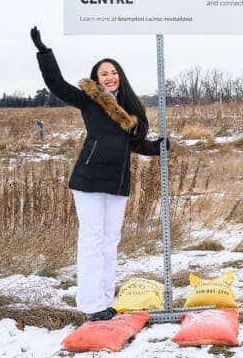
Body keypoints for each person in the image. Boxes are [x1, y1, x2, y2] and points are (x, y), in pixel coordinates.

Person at [30, 26, 169, 321]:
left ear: (120, 76)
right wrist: (44, 52)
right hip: (90, 178)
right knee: (92, 239)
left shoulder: (131, 108)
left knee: (110, 241)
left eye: (113, 72)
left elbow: (136, 144)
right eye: (104, 73)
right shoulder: (89, 100)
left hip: (118, 181)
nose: (109, 76)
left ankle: (106, 300)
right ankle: (92, 305)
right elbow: (57, 84)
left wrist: (157, 148)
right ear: (96, 79)